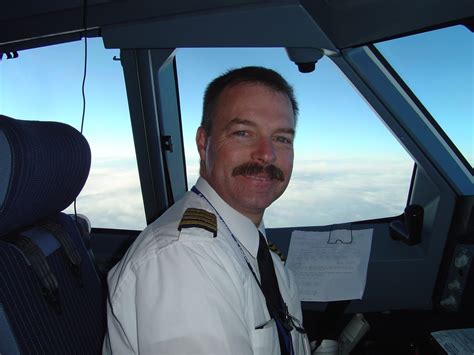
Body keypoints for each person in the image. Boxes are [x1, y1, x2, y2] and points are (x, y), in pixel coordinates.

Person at [103, 66, 311, 354]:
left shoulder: (257, 249)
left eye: (282, 138)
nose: (266, 154)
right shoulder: (184, 260)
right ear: (204, 143)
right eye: (243, 132)